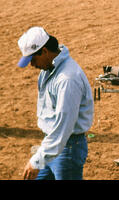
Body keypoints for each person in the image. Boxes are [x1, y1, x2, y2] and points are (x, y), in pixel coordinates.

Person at [17, 26, 94, 180]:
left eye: (33, 59)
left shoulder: (67, 79)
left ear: (44, 51)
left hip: (67, 148)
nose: (32, 65)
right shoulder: (47, 69)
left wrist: (38, 160)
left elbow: (63, 127)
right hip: (53, 144)